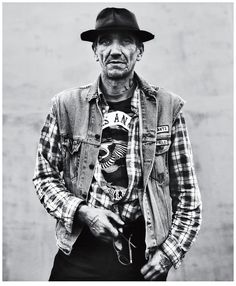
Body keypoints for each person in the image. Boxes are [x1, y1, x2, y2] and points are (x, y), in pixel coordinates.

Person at [33, 7, 202, 281]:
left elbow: (188, 196)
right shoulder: (66, 107)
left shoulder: (167, 108)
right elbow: (44, 176)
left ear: (140, 50)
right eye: (105, 41)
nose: (115, 50)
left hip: (143, 252)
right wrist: (84, 212)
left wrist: (169, 253)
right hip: (80, 248)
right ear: (95, 51)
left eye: (125, 41)